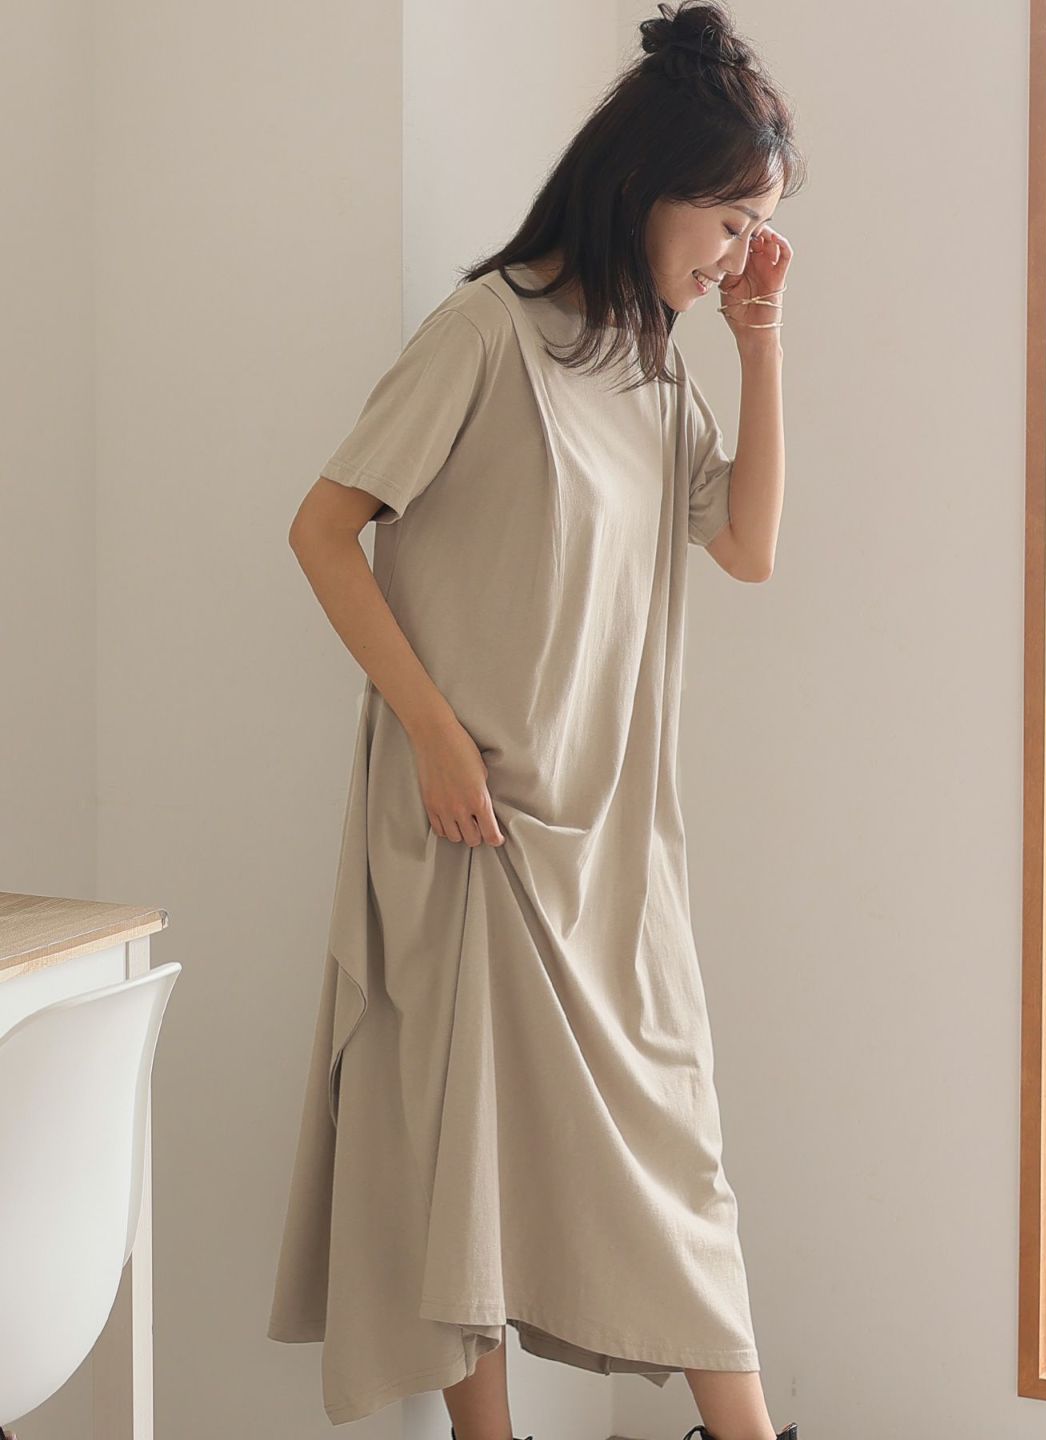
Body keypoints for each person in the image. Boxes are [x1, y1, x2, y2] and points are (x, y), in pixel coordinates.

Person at [266, 1, 803, 1435]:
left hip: (612, 845)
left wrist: (758, 344)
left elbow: (748, 548)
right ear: (649, 186)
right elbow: (324, 529)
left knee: (679, 1176)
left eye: (760, 231)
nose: (739, 254)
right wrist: (436, 735)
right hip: (477, 824)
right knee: (466, 1182)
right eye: (733, 222)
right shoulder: (483, 332)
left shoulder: (651, 365)